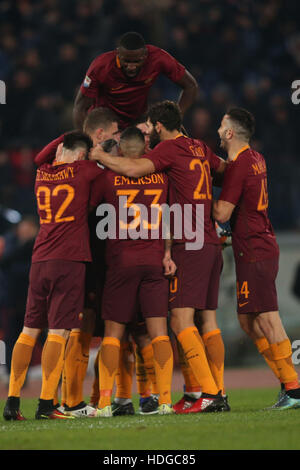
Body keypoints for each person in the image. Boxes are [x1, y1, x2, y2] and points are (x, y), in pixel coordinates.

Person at [90, 100, 227, 413]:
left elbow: (131, 169)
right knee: (200, 321)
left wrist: (98, 154)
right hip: (199, 243)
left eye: (150, 126)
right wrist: (225, 207)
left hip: (173, 248)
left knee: (166, 323)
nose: (149, 133)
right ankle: (184, 395)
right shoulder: (198, 148)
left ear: (159, 126)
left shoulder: (161, 155)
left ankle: (210, 394)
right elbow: (225, 171)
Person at [3, 131, 103, 421]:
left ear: (60, 150)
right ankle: (47, 403)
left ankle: (12, 402)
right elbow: (99, 161)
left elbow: (39, 156)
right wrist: (92, 147)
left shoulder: (42, 173)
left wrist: (65, 141)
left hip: (40, 259)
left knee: (29, 330)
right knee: (58, 331)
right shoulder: (84, 171)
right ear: (81, 155)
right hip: (69, 260)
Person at [213, 107, 300, 410]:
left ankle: (293, 387)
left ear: (230, 132)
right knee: (247, 321)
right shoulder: (256, 158)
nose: (218, 128)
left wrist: (197, 200)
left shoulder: (239, 165)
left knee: (267, 318)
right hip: (256, 246)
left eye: (222, 125)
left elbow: (222, 213)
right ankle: (288, 384)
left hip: (255, 250)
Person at [89, 126, 176, 417]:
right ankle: (165, 401)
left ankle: (103, 403)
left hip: (121, 262)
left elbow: (88, 210)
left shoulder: (107, 178)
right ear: (145, 150)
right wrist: (167, 253)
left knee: (113, 334)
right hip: (153, 261)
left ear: (123, 150)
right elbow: (167, 218)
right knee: (158, 333)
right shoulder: (161, 177)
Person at [73, 31, 198, 130]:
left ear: (145, 55)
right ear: (118, 54)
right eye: (126, 61)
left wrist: (176, 118)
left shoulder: (158, 58)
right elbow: (80, 108)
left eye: (137, 61)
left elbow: (191, 86)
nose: (131, 66)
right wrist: (88, 140)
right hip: (105, 124)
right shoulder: (100, 66)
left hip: (137, 122)